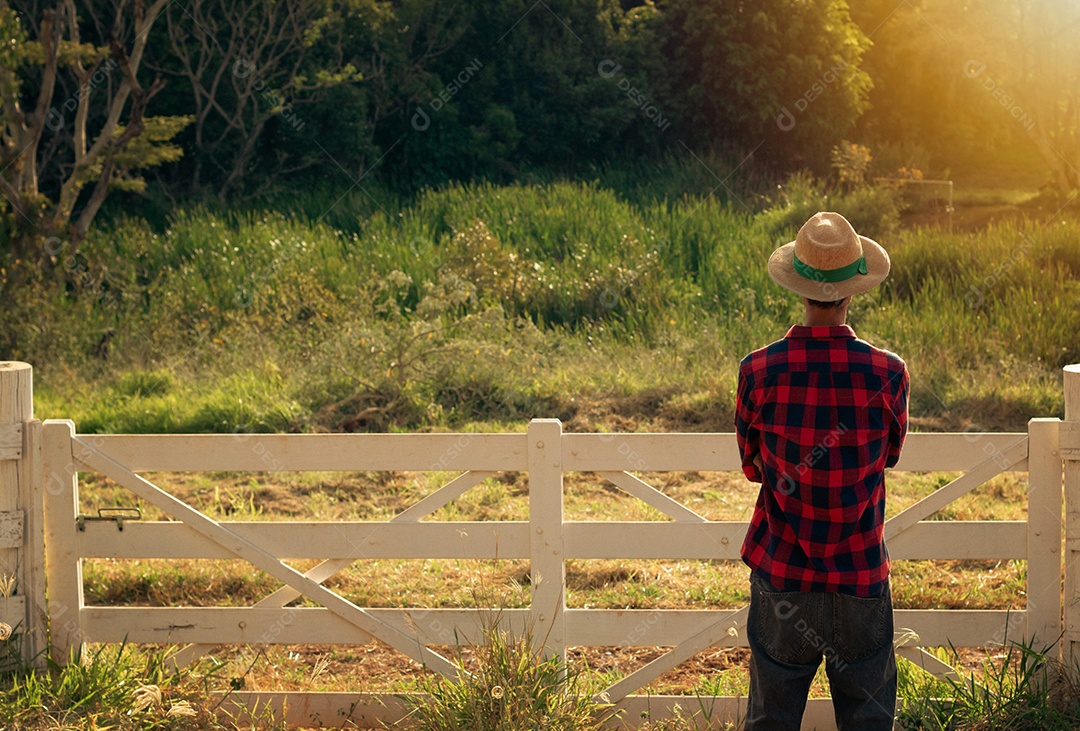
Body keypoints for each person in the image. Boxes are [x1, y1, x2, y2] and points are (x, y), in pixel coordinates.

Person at [735, 211, 910, 730]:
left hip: (784, 572)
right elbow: (890, 455)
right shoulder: (888, 372)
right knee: (869, 719)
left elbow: (752, 466)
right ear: (852, 291)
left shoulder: (759, 370)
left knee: (772, 717)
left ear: (799, 287)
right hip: (858, 572)